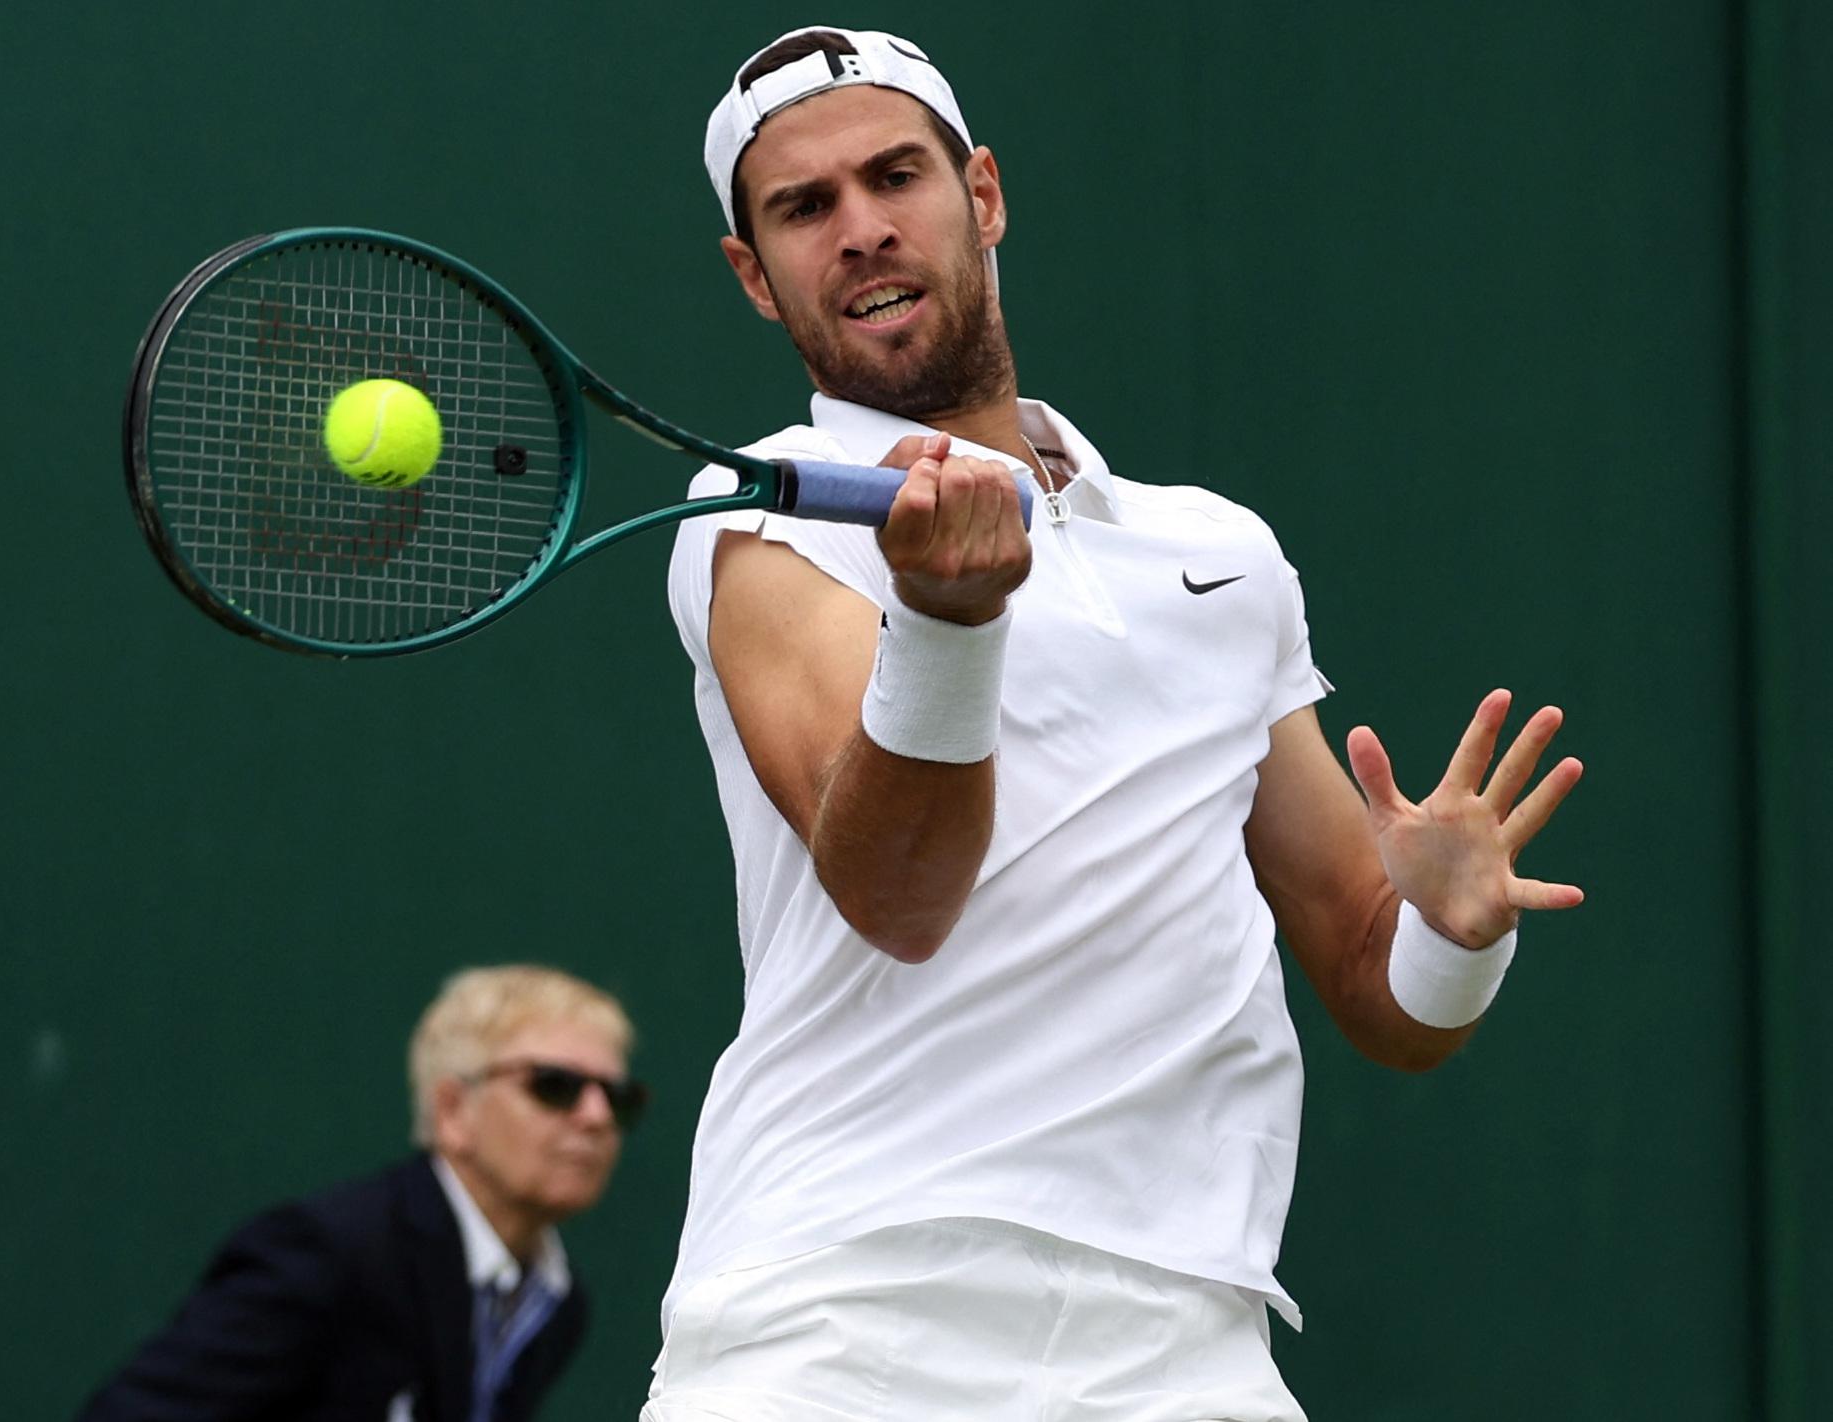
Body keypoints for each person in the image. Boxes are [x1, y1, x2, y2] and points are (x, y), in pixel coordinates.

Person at [646, 26, 1586, 1422]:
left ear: (980, 195)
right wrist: (949, 623)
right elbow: (898, 895)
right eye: (803, 207)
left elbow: (1368, 975)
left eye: (893, 177)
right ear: (753, 273)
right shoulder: (763, 517)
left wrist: (1453, 934)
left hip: (1185, 1339)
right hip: (844, 1318)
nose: (859, 229)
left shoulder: (1215, 551)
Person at [78, 965, 644, 1422]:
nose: (596, 1118)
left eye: (617, 1098)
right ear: (452, 1111)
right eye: (555, 1086)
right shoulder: (330, 1254)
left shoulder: (556, 1301)